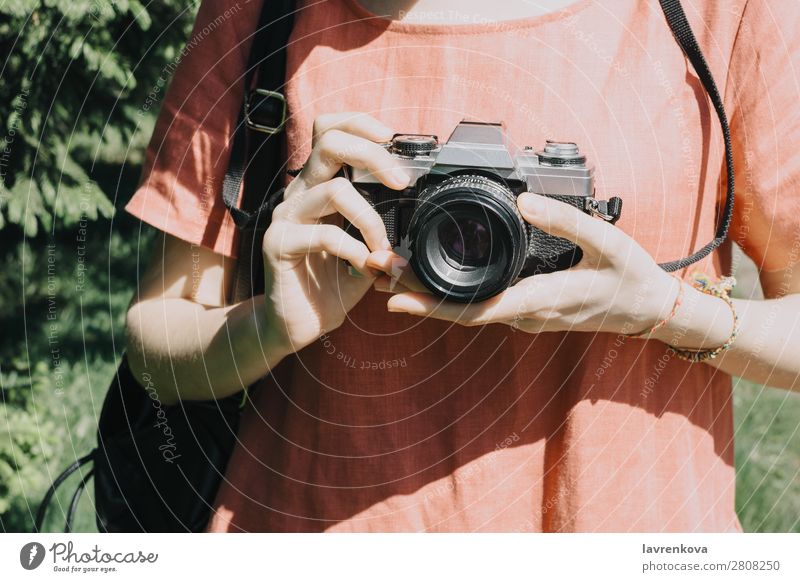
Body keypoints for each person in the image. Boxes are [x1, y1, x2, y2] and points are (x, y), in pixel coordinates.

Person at [124, 0, 800, 532]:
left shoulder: (717, 12)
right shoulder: (262, 10)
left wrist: (665, 312)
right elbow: (155, 348)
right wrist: (268, 325)